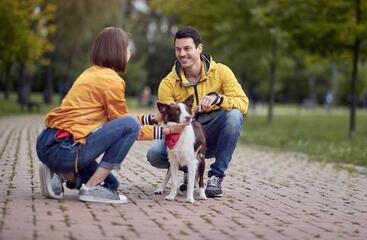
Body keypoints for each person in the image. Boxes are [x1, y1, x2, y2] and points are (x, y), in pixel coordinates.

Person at [36, 27, 186, 204]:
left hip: (48, 141)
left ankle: (60, 172)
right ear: (118, 51)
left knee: (110, 184)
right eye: (127, 47)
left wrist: (152, 119)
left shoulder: (91, 72)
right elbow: (129, 127)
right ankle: (89, 188)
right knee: (130, 125)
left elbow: (118, 119)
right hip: (63, 147)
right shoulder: (112, 81)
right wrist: (167, 131)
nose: (129, 52)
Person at [146, 27, 249, 198]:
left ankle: (216, 177)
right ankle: (189, 169)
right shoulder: (168, 83)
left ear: (199, 48)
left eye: (187, 48)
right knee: (155, 154)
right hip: (183, 134)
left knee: (234, 116)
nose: (182, 54)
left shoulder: (221, 72)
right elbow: (165, 119)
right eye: (178, 49)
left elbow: (243, 103)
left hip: (211, 133)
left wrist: (218, 99)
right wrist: (176, 111)